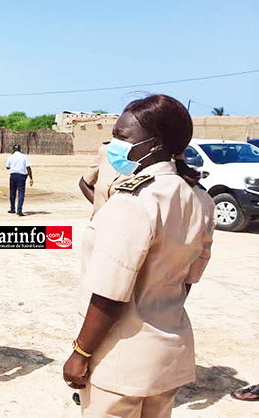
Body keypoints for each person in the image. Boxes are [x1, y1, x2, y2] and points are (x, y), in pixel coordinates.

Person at [63, 94, 215, 418]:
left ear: (154, 145)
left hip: (119, 360)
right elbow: (187, 283)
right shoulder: (200, 200)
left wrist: (80, 352)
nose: (114, 144)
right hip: (165, 356)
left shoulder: (134, 200)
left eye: (122, 136)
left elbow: (109, 294)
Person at [78, 142, 130, 218]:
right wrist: (103, 206)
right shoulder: (106, 151)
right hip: (100, 223)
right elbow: (84, 183)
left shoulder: (149, 160)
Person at [5, 144, 33, 216]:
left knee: (12, 192)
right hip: (21, 176)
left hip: (13, 175)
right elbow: (28, 167)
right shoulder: (24, 156)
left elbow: (7, 167)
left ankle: (12, 209)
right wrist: (31, 178)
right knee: (21, 193)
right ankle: (19, 210)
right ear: (20, 149)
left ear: (13, 149)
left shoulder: (10, 157)